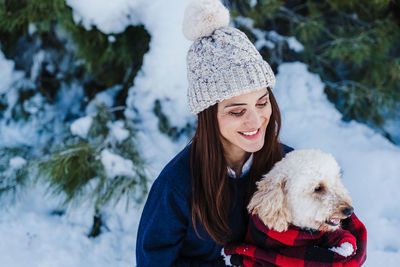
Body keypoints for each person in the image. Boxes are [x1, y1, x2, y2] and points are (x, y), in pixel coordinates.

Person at [136, 0, 293, 266]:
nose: (256, 120)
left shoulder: (289, 166)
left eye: (262, 102)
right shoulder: (177, 186)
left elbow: (334, 224)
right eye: (236, 111)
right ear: (209, 116)